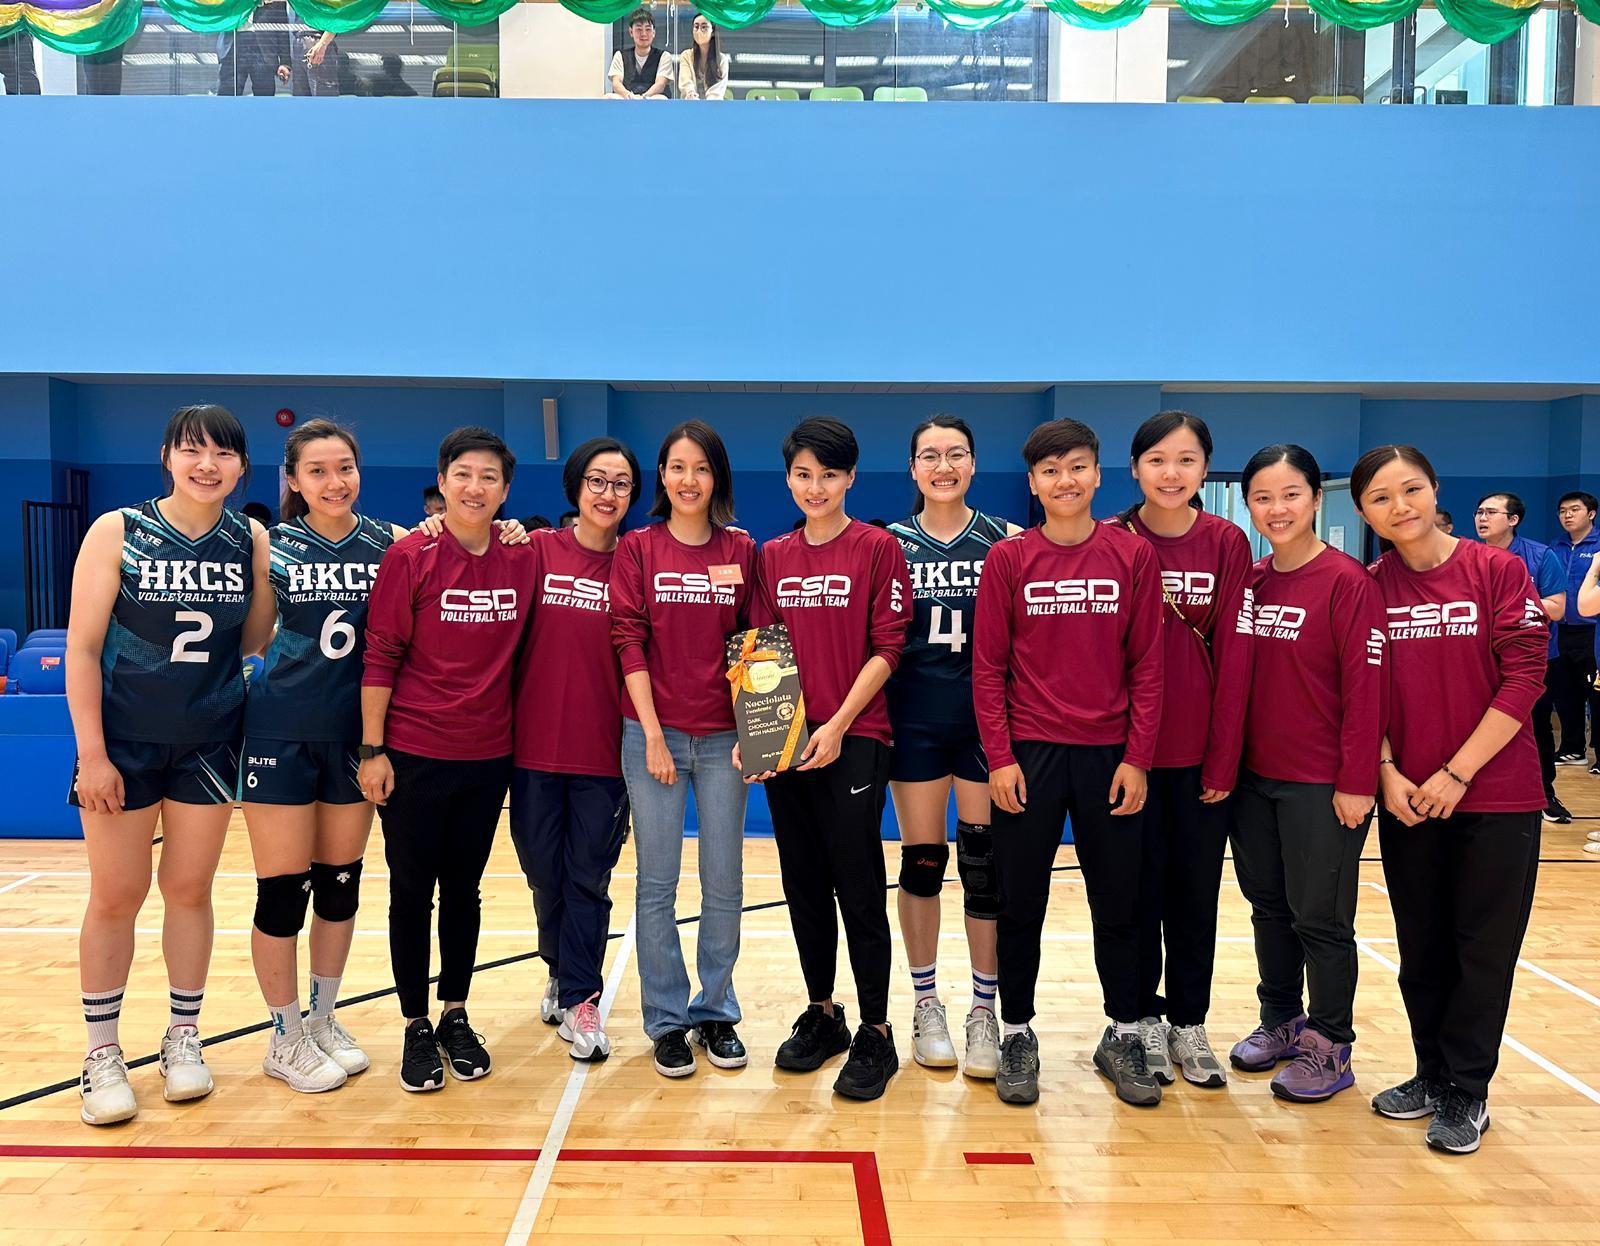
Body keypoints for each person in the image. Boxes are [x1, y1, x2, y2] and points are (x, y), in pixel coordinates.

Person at [241, 419, 524, 1094]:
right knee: (283, 890)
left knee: (340, 883)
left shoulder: (392, 540)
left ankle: (324, 1019)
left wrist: (496, 528)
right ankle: (285, 1033)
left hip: (359, 735)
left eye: (345, 467)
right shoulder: (270, 545)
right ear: (292, 479)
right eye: (317, 470)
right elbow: (251, 638)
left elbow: (457, 542)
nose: (334, 481)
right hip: (288, 729)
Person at [66, 404, 275, 1125]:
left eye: (223, 454)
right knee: (116, 893)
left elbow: (253, 642)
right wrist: (92, 755)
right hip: (122, 742)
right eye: (192, 450)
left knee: (189, 889)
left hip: (209, 743)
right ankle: (101, 1053)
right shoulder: (118, 530)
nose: (207, 465)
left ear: (242, 467)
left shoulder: (249, 538)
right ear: (167, 456)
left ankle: (184, 1036)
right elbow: (82, 649)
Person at [1358, 445, 1546, 1154]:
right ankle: (1432, 1074)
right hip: (1408, 798)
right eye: (1380, 497)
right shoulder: (1370, 586)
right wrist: (1386, 771)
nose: (1399, 507)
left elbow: (1525, 679)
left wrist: (1458, 773)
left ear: (1436, 491)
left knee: (1482, 950)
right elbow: (1362, 689)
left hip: (1496, 797)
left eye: (1410, 490)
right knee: (1423, 946)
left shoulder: (1497, 570)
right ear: (1364, 512)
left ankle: (1469, 1088)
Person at [973, 417, 1163, 1108]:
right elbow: (988, 669)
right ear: (1033, 483)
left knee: (1120, 904)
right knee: (1020, 903)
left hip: (1110, 758)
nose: (1065, 480)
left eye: (1077, 466)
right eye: (1051, 471)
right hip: (1029, 758)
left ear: (1097, 474)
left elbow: (1148, 666)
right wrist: (1000, 757)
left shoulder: (1133, 556)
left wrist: (1138, 757)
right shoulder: (1009, 560)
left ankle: (1123, 1034)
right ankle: (1017, 1033)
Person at [360, 427, 536, 1093]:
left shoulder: (522, 555)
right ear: (442, 482)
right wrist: (373, 750)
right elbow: (381, 655)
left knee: (464, 890)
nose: (475, 487)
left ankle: (455, 1013)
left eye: (489, 477)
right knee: (411, 891)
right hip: (413, 752)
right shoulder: (411, 554)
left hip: (488, 755)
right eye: (463, 474)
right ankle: (414, 1023)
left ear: (506, 489)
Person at [745, 416, 911, 1103]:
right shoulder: (772, 556)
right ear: (789, 478)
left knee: (858, 884)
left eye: (829, 475)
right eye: (803, 475)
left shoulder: (877, 548)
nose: (815, 487)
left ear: (850, 478)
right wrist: (759, 735)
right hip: (789, 741)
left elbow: (888, 647)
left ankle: (877, 1030)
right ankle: (823, 1013)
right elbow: (762, 648)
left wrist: (839, 724)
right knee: (804, 882)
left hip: (856, 736)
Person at [1227, 444, 1384, 1105]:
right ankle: (1282, 1020)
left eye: (1290, 494)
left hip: (1322, 782)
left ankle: (1331, 1043)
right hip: (1253, 778)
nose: (1277, 508)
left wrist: (1357, 781)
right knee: (1269, 908)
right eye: (1262, 497)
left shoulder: (1348, 582)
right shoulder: (1252, 580)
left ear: (1317, 499)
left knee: (1320, 917)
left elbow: (1367, 691)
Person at [1113, 412, 1253, 1090]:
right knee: (1134, 895)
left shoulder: (1226, 541)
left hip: (1199, 757)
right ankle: (1139, 1018)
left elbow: (1236, 656)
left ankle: (1189, 1022)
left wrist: (1223, 757)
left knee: (1195, 897)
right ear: (1135, 468)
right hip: (1126, 757)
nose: (1172, 473)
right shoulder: (1110, 539)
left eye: (1187, 460)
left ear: (1205, 468)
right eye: (1158, 460)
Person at [611, 421, 755, 1077]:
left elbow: (756, 641)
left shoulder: (742, 548)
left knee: (724, 880)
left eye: (701, 467)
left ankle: (716, 1010)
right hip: (654, 735)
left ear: (716, 476)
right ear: (662, 476)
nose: (688, 479)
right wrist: (652, 734)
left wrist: (754, 733)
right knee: (657, 883)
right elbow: (629, 640)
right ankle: (667, 1021)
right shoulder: (639, 547)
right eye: (677, 467)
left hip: (725, 738)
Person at [883, 415, 1018, 1079]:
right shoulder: (888, 545)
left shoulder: (1007, 540)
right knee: (923, 862)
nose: (943, 466)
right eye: (930, 455)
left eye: (955, 454)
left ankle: (984, 1011)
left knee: (984, 866)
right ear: (913, 468)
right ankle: (926, 1003)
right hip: (913, 723)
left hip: (986, 726)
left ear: (973, 463)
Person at [512, 437, 640, 1062]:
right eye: (597, 480)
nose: (607, 493)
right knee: (544, 873)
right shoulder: (537, 550)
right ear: (576, 486)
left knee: (588, 876)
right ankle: (559, 970)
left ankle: (583, 997)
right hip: (532, 750)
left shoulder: (638, 562)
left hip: (604, 755)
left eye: (620, 483)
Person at [1475, 492, 1568, 824]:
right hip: (1481, 660)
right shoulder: (1467, 556)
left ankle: (1545, 794)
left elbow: (1556, 607)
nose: (1482, 518)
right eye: (1479, 512)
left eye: (1491, 512)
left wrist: (1504, 605)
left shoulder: (1540, 556)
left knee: (1536, 727)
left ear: (1513, 520)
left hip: (1531, 661)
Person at [1549, 491, 1600, 766]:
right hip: (1560, 630)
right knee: (1565, 690)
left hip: (1593, 630)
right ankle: (1572, 748)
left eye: (1574, 510)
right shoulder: (1555, 547)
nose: (1567, 515)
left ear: (1591, 514)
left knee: (1597, 693)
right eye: (1562, 511)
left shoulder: (1599, 545)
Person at [217, 1, 291, 96]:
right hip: (233, 44)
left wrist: (285, 62)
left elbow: (282, 28)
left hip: (264, 49)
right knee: (227, 96)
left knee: (264, 97)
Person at [608, 8, 672, 100]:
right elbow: (616, 83)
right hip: (627, 99)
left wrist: (644, 97)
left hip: (651, 99)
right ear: (631, 32)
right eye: (639, 29)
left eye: (648, 29)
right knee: (608, 97)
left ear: (654, 32)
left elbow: (660, 84)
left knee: (661, 98)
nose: (643, 34)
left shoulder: (664, 56)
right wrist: (629, 96)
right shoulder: (620, 56)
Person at [678, 14, 729, 101]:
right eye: (696, 27)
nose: (699, 31)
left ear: (712, 31)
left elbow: (717, 92)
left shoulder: (722, 60)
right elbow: (686, 81)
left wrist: (706, 105)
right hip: (690, 105)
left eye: (704, 27)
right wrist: (691, 93)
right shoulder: (686, 56)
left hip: (713, 106)